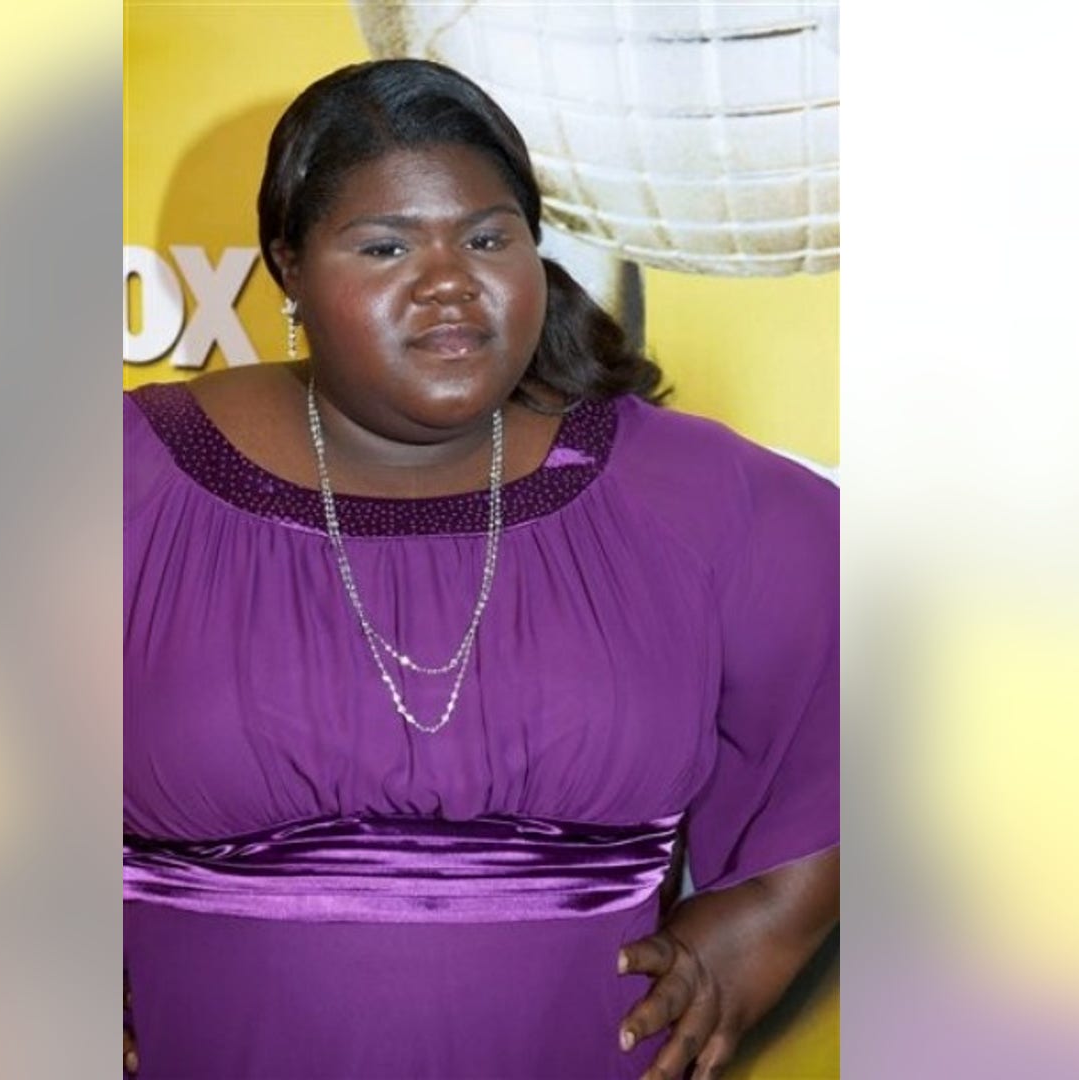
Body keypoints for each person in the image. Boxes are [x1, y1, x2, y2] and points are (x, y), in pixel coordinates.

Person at [124, 58, 838, 1079]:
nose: (450, 282)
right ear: (287, 266)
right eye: (384, 245)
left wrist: (765, 923)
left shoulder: (687, 493)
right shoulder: (129, 482)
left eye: (489, 239)